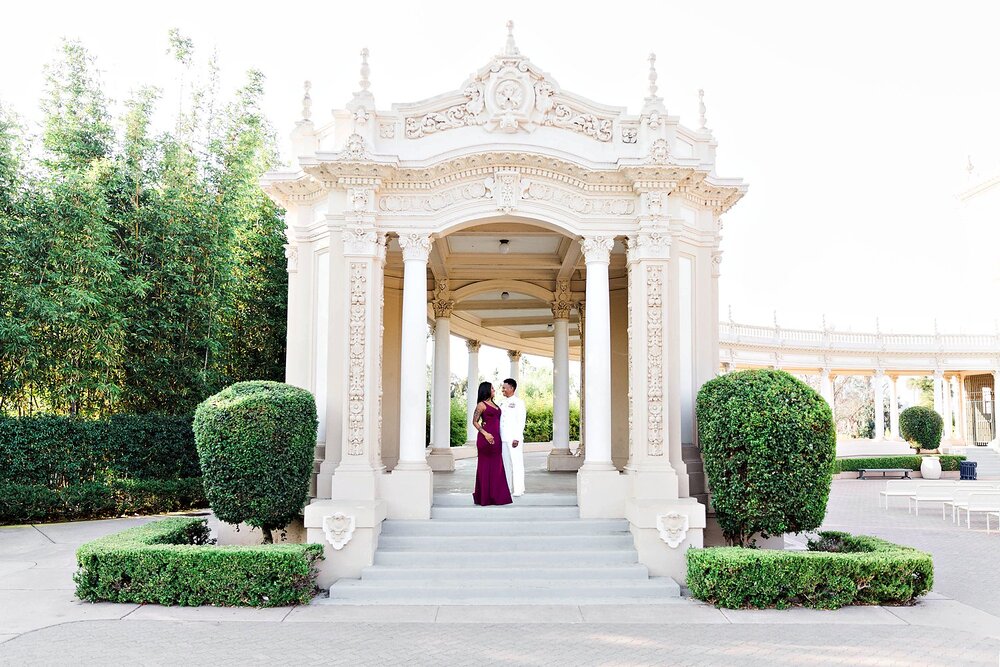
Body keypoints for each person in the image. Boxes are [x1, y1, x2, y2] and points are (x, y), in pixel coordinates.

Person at [471, 381, 512, 506]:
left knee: (497, 467)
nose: (494, 390)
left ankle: (496, 496)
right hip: (485, 439)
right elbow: (475, 421)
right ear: (486, 390)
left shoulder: (495, 404)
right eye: (492, 388)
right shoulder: (481, 405)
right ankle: (484, 497)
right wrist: (486, 433)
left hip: (497, 439)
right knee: (485, 467)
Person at [499, 378, 527, 497]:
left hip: (514, 439)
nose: (503, 390)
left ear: (511, 388)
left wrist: (517, 437)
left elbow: (521, 421)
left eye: (504, 387)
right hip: (503, 438)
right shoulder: (502, 403)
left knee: (517, 463)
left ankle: (519, 489)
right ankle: (507, 488)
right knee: (506, 464)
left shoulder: (519, 402)